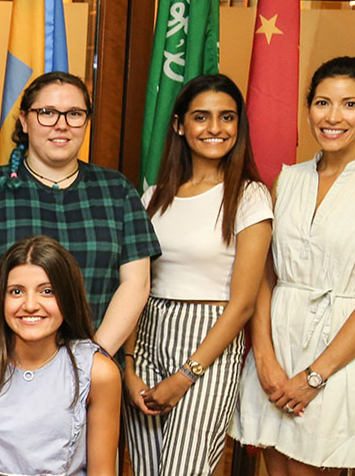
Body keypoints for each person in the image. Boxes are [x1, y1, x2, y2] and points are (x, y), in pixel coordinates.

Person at [230, 57, 355, 474]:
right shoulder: (287, 180)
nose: (333, 117)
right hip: (277, 342)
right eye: (322, 103)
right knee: (276, 469)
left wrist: (314, 376)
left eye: (349, 105)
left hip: (339, 352)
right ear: (308, 107)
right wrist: (264, 358)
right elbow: (265, 275)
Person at [122, 74, 272, 476]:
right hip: (149, 333)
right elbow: (138, 283)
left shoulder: (249, 195)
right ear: (178, 125)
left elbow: (243, 304)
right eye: (201, 117)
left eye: (227, 117)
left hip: (210, 341)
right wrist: (130, 364)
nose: (215, 128)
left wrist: (187, 374)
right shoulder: (153, 196)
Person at [0, 71, 160, 354]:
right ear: (24, 120)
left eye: (74, 114)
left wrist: (91, 360)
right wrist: (31, 358)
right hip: (9, 363)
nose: (62, 125)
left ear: (86, 121)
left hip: (97, 370)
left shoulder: (117, 190)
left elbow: (136, 284)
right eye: (47, 113)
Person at [0, 235, 120, 476]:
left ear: (67, 297)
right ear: (1, 297)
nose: (30, 305)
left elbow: (102, 472)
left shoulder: (98, 372)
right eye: (16, 291)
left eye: (47, 291)